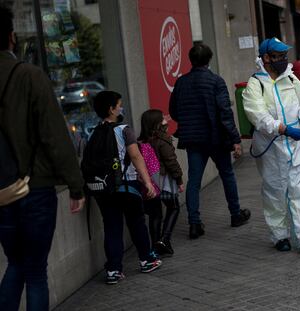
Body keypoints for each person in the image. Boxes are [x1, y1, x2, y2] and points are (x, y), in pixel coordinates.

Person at [0, 5, 85, 310]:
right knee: (35, 270)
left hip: (2, 192)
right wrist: (76, 185)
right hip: (34, 186)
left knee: (15, 264)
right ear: (11, 37)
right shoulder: (29, 76)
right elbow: (54, 136)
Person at [242, 37, 300, 253]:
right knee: (275, 191)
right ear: (266, 57)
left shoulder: (291, 78)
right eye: (278, 56)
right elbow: (257, 115)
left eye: (284, 55)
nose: (283, 60)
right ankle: (280, 236)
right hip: (271, 147)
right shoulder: (255, 84)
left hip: (296, 146)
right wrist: (283, 129)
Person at [169, 43, 251, 239]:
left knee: (194, 181)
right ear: (208, 59)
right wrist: (235, 139)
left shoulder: (181, 83)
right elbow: (225, 112)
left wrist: (189, 121)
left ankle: (194, 224)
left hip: (193, 139)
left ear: (191, 60)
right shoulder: (216, 81)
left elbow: (173, 111)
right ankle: (235, 214)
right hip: (215, 138)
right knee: (227, 174)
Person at [91, 91, 161, 284]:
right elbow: (136, 157)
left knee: (112, 226)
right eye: (119, 105)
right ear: (111, 109)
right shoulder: (124, 130)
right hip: (126, 185)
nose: (121, 108)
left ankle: (113, 270)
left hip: (104, 189)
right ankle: (146, 259)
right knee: (136, 222)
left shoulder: (94, 132)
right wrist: (147, 182)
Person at [139, 109, 184, 256]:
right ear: (157, 123)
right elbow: (171, 162)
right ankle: (164, 239)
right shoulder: (162, 140)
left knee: (155, 214)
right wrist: (179, 179)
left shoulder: (141, 142)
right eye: (162, 117)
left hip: (149, 182)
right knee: (174, 207)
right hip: (164, 181)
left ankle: (154, 247)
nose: (165, 118)